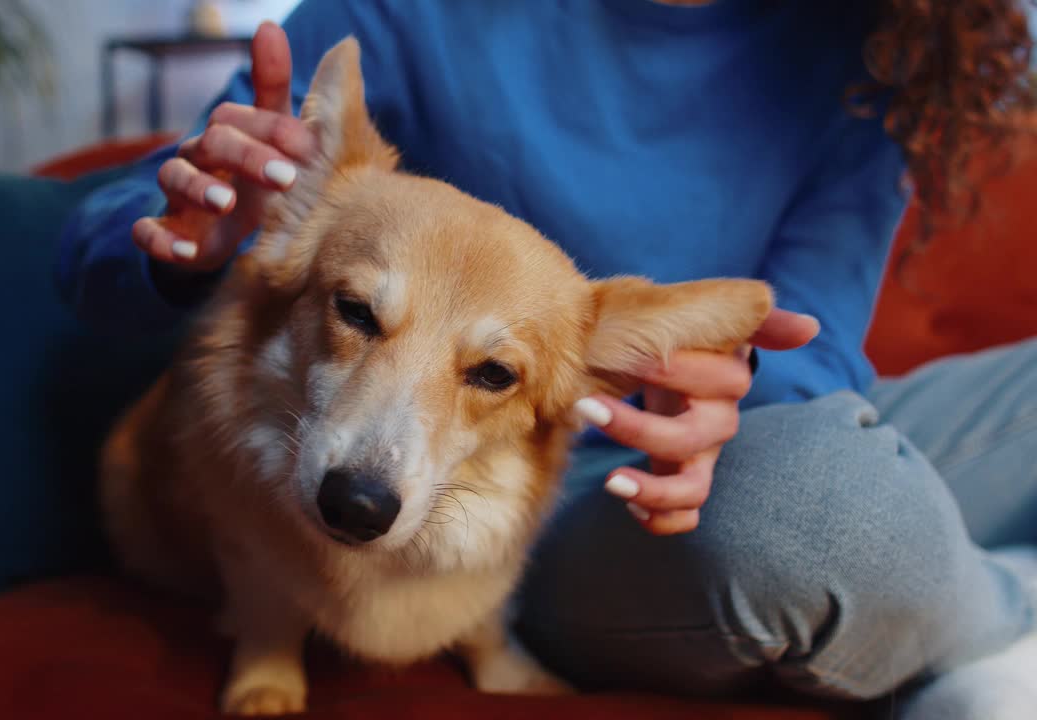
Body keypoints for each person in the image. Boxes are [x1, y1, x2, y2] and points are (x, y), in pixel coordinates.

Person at [55, 1, 1037, 716]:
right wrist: (189, 233)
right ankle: (994, 609)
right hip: (531, 517)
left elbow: (813, 345)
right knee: (818, 508)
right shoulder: (411, 10)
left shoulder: (870, 49)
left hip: (715, 445)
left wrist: (724, 398)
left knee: (840, 464)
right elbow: (112, 232)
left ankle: (941, 578)